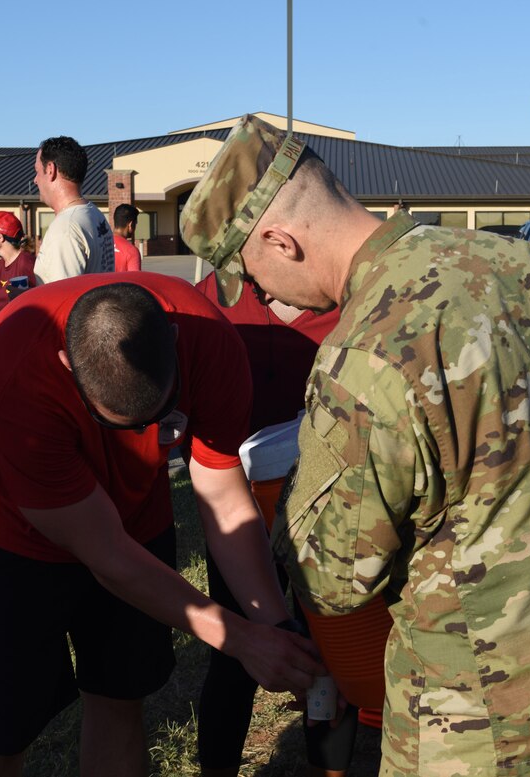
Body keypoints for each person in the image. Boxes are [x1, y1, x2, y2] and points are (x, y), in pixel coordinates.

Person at [179, 114, 530, 777]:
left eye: (252, 275)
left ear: (281, 240)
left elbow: (333, 579)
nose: (259, 295)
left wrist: (287, 503)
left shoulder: (366, 353)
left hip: (484, 717)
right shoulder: (517, 260)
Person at [0, 273, 323, 777]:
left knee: (120, 697)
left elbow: (225, 499)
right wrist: (240, 637)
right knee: (0, 732)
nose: (146, 436)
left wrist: (276, 630)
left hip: (139, 525)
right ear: (66, 366)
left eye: (162, 415)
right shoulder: (12, 370)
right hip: (18, 537)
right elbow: (106, 555)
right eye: (119, 424)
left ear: (173, 340)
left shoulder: (211, 341)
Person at [192, 275, 349, 777]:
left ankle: (329, 767)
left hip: (329, 500)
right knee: (237, 649)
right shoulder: (217, 291)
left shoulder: (344, 290)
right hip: (236, 493)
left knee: (329, 649)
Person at [32, 135, 114, 284]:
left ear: (50, 169)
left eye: (37, 171)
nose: (35, 180)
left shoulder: (65, 228)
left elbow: (62, 299)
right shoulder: (95, 215)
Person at [112, 203, 143, 272]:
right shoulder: (131, 251)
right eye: (135, 224)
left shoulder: (100, 244)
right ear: (130, 225)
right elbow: (134, 280)